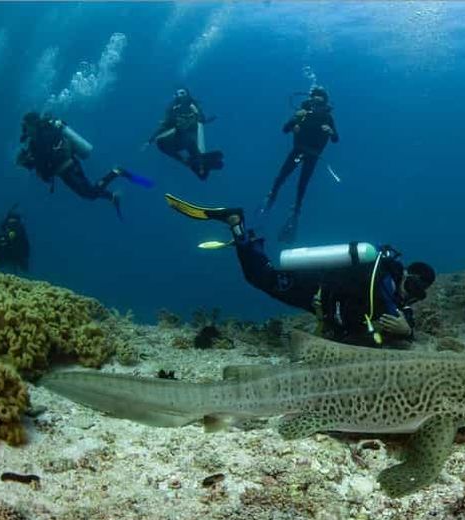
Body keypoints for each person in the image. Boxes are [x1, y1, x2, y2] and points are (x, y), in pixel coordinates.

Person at [165, 194, 435, 346]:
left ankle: (246, 236)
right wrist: (404, 330)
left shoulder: (396, 297)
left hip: (319, 297)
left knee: (262, 276)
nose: (410, 294)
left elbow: (401, 321)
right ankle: (238, 226)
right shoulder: (384, 276)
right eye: (411, 286)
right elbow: (376, 304)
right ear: (405, 273)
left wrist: (407, 330)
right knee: (259, 277)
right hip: (312, 286)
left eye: (418, 293)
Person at [16, 111, 139, 219]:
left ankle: (116, 172)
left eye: (25, 126)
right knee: (87, 192)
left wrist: (30, 162)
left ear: (32, 124)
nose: (24, 130)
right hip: (68, 168)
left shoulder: (42, 137)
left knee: (89, 193)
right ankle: (112, 196)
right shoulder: (40, 137)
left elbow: (43, 166)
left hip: (69, 169)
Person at [259, 86, 339, 243]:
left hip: (313, 155)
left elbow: (336, 139)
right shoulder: (303, 113)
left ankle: (295, 210)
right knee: (281, 177)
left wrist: (331, 131)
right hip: (298, 150)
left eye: (320, 104)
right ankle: (271, 197)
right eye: (314, 103)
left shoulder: (327, 118)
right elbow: (285, 129)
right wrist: (294, 120)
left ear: (325, 104)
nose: (316, 107)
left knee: (302, 184)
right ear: (310, 101)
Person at [146, 88, 224, 180]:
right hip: (177, 139)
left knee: (191, 144)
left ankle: (198, 165)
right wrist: (150, 140)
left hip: (188, 139)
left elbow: (201, 120)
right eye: (177, 93)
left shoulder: (193, 106)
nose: (180, 95)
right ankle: (190, 162)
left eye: (182, 93)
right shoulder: (172, 108)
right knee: (163, 143)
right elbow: (165, 125)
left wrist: (199, 115)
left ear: (187, 94)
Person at [0, 205, 30, 272]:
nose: (12, 227)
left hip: (15, 257)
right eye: (10, 224)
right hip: (5, 256)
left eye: (15, 224)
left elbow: (25, 249)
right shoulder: (3, 233)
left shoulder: (19, 233)